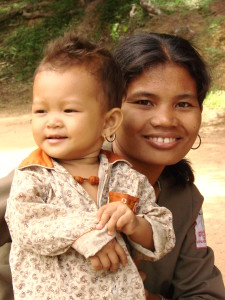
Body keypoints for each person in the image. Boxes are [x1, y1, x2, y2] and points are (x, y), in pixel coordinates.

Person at [4, 31, 175, 299]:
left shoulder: (126, 176)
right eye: (41, 110)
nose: (52, 121)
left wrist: (134, 225)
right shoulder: (36, 173)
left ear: (108, 122)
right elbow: (25, 222)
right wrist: (86, 233)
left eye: (69, 110)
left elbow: (162, 231)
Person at [108, 32, 225, 299]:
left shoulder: (184, 201)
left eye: (183, 104)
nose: (165, 119)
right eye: (144, 102)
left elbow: (204, 292)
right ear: (111, 110)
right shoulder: (56, 173)